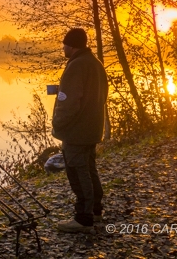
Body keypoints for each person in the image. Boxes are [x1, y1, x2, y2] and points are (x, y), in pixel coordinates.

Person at [51, 28, 108, 233]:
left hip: (77, 132)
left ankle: (84, 219)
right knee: (89, 169)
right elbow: (101, 96)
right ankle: (95, 210)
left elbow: (69, 103)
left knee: (77, 171)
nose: (63, 47)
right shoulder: (96, 64)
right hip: (92, 129)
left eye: (65, 44)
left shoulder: (76, 66)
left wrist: (58, 124)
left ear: (72, 45)